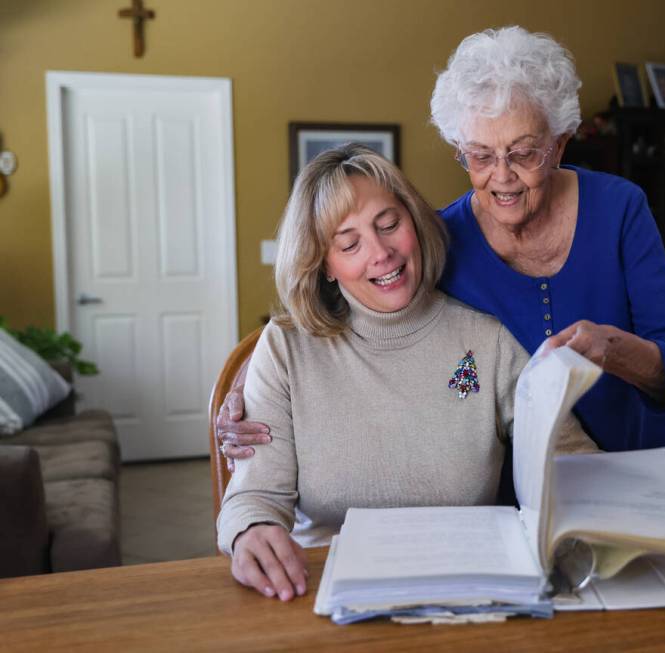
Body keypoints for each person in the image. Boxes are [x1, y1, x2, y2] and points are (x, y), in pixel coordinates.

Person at [217, 26, 665, 501]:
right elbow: (361, 314)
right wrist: (248, 381)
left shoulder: (619, 209)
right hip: (515, 499)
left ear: (560, 143)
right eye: (479, 154)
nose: (501, 176)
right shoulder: (441, 240)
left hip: (639, 470)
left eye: (522, 153)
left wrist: (614, 349)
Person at [217, 144, 598, 602]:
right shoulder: (285, 349)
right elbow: (255, 495)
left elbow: (572, 459)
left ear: (414, 221)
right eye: (350, 243)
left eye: (389, 224)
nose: (380, 253)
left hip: (465, 586)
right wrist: (250, 531)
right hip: (319, 587)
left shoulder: (488, 340)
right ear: (326, 265)